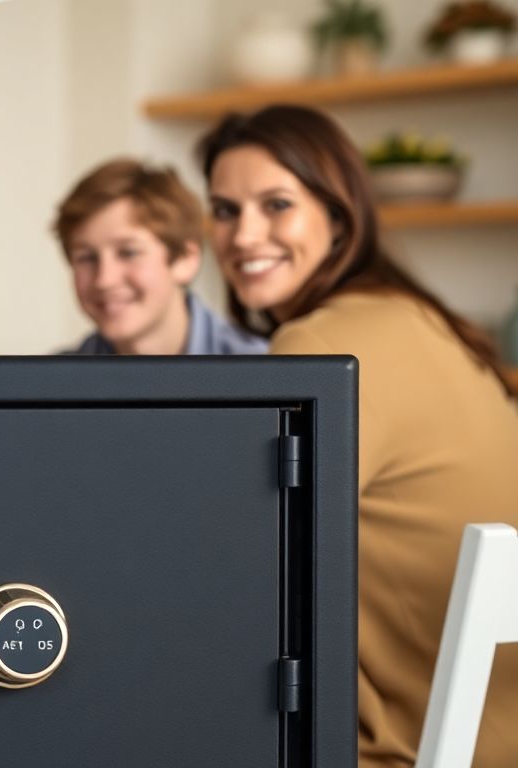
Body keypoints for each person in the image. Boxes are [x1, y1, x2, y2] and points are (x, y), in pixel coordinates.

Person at [198, 103, 518, 767]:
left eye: (276, 204)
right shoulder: (416, 317)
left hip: (407, 744)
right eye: (225, 210)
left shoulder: (320, 346)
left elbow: (238, 557)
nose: (243, 234)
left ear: (338, 216)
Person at [53, 158, 266, 355]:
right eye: (86, 257)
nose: (104, 280)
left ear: (186, 260)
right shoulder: (49, 385)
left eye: (128, 252)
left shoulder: (265, 376)